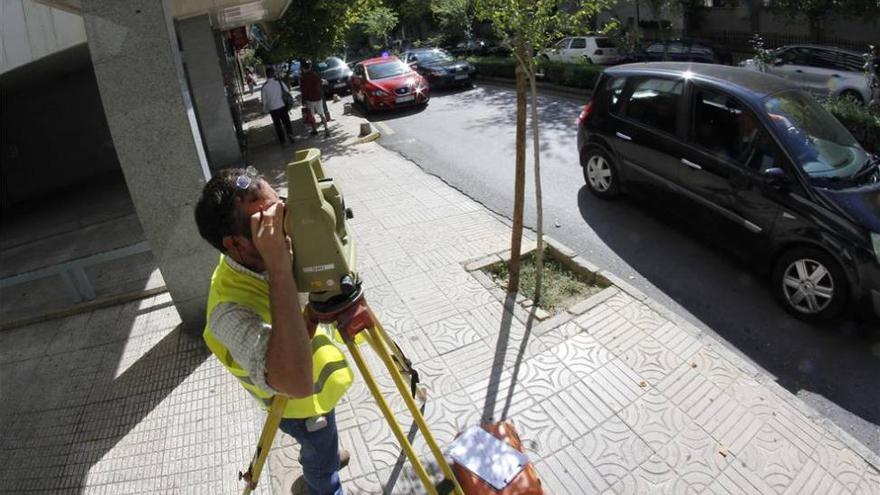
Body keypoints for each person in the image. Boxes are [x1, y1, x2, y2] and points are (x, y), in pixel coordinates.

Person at [194, 168, 352, 495]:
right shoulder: (228, 311)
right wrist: (279, 263)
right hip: (295, 405)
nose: (285, 223)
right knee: (319, 449)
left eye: (280, 204)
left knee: (326, 440)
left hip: (320, 385)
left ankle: (326, 455)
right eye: (268, 221)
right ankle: (322, 481)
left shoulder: (270, 249)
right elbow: (293, 381)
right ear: (235, 244)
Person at [261, 67, 296, 145]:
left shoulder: (264, 88)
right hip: (282, 106)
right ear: (273, 74)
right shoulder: (280, 83)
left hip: (273, 109)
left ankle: (282, 140)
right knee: (287, 122)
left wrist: (264, 110)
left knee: (277, 125)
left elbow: (264, 101)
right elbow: (287, 92)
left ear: (266, 75)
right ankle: (290, 134)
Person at [301, 61, 330, 137]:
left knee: (311, 115)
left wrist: (303, 100)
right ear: (310, 67)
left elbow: (303, 90)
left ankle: (314, 130)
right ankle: (326, 128)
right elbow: (322, 82)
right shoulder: (315, 75)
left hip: (309, 99)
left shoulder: (303, 78)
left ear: (303, 68)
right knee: (321, 113)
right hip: (318, 97)